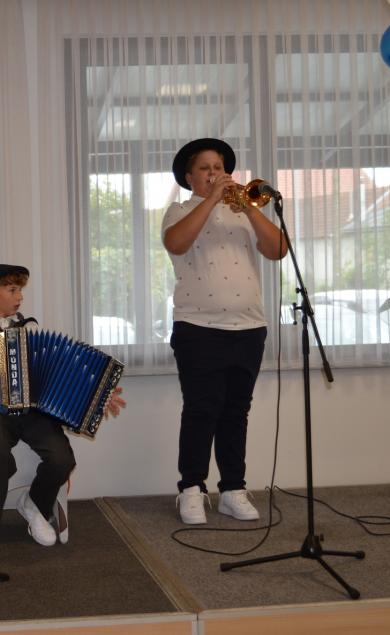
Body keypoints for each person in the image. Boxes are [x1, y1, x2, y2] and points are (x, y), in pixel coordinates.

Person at [0, 264, 125, 569]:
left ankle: (34, 503)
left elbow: (63, 373)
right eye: (12, 290)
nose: (20, 297)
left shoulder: (30, 329)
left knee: (62, 458)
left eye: (20, 290)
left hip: (33, 414)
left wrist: (98, 396)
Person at [162, 138, 287, 525]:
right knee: (201, 410)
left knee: (236, 412)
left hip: (249, 327)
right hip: (198, 328)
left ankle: (233, 489)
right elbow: (176, 243)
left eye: (219, 168)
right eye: (206, 168)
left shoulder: (244, 211)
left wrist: (248, 208)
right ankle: (191, 489)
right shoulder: (180, 210)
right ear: (190, 176)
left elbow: (278, 250)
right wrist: (213, 199)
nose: (214, 174)